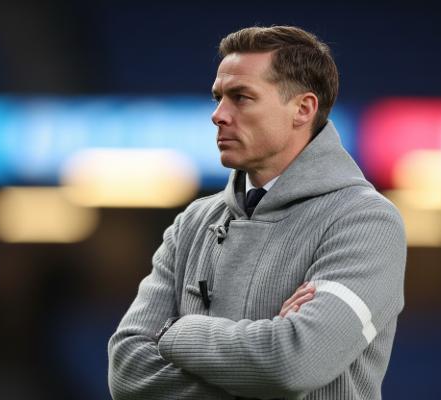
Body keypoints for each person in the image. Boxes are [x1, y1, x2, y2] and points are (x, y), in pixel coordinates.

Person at [108, 25, 406, 400]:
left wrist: (177, 332)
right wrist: (262, 366)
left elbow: (295, 363)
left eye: (241, 97)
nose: (218, 115)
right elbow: (127, 372)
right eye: (218, 97)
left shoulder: (365, 221)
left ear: (303, 109)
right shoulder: (192, 223)